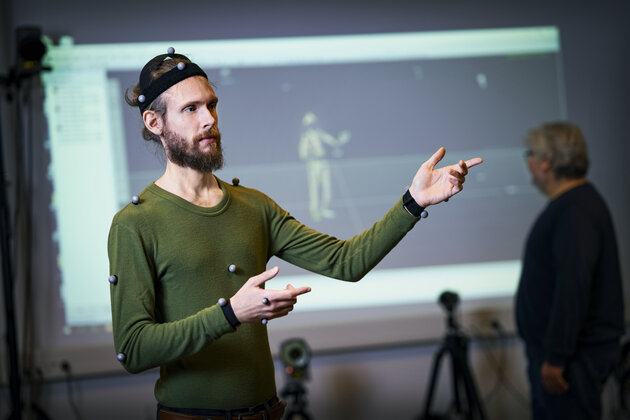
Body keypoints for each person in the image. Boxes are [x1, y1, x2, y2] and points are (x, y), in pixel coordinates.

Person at [107, 49, 483, 420]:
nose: (209, 119)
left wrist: (414, 201)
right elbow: (134, 349)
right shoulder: (135, 223)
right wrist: (232, 314)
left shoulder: (253, 206)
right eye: (190, 109)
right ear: (155, 123)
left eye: (212, 105)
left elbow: (346, 262)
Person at [515, 122, 624, 420]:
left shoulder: (575, 210)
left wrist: (556, 357)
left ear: (546, 161)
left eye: (531, 154)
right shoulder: (573, 205)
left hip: (572, 362)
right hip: (569, 357)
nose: (529, 162)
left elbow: (574, 284)